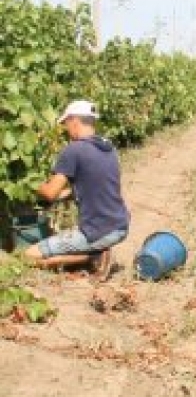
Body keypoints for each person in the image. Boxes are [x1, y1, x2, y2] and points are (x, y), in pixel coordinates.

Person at [24, 99, 130, 281]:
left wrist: (27, 184)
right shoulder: (107, 147)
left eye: (66, 124)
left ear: (74, 120)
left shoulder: (73, 150)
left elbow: (49, 193)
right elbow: (94, 185)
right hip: (120, 225)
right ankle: (96, 251)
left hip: (98, 231)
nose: (66, 129)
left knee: (28, 256)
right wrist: (65, 195)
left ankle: (92, 256)